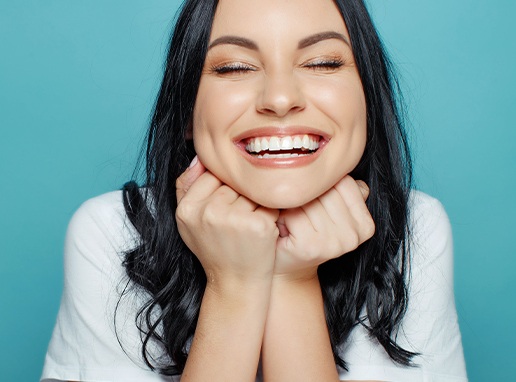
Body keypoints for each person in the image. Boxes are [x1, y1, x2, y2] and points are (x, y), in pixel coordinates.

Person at [41, 0, 468, 381]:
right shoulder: (111, 231)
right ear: (186, 113)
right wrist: (234, 285)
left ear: (368, 100)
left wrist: (292, 279)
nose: (280, 98)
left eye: (322, 63)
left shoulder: (417, 228)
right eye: (234, 68)